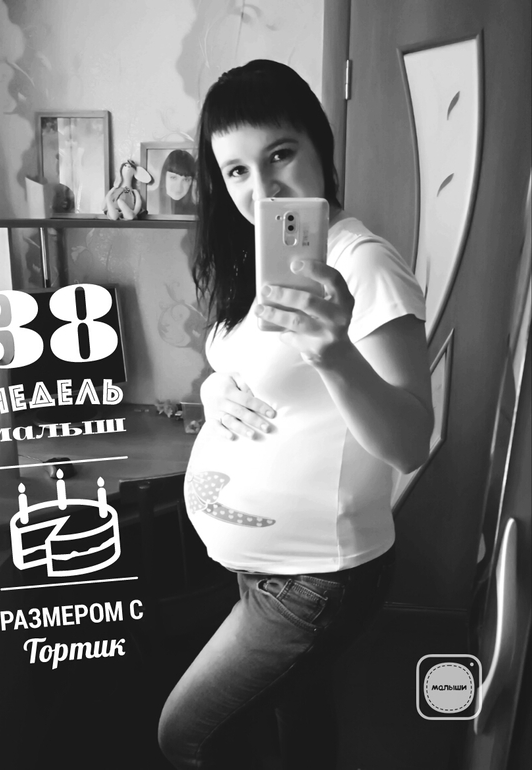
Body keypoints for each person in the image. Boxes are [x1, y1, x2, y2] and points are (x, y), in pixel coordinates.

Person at [158, 59, 433, 770]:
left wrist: (334, 353)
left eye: (279, 154)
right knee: (296, 710)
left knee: (185, 735)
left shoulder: (362, 264)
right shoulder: (264, 254)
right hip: (270, 567)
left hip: (315, 579)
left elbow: (411, 442)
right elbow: (246, 363)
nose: (263, 188)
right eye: (237, 170)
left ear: (319, 146)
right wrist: (215, 391)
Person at [158, 149, 197, 215]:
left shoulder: (196, 210)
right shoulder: (147, 201)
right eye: (173, 178)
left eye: (186, 180)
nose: (179, 187)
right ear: (164, 176)